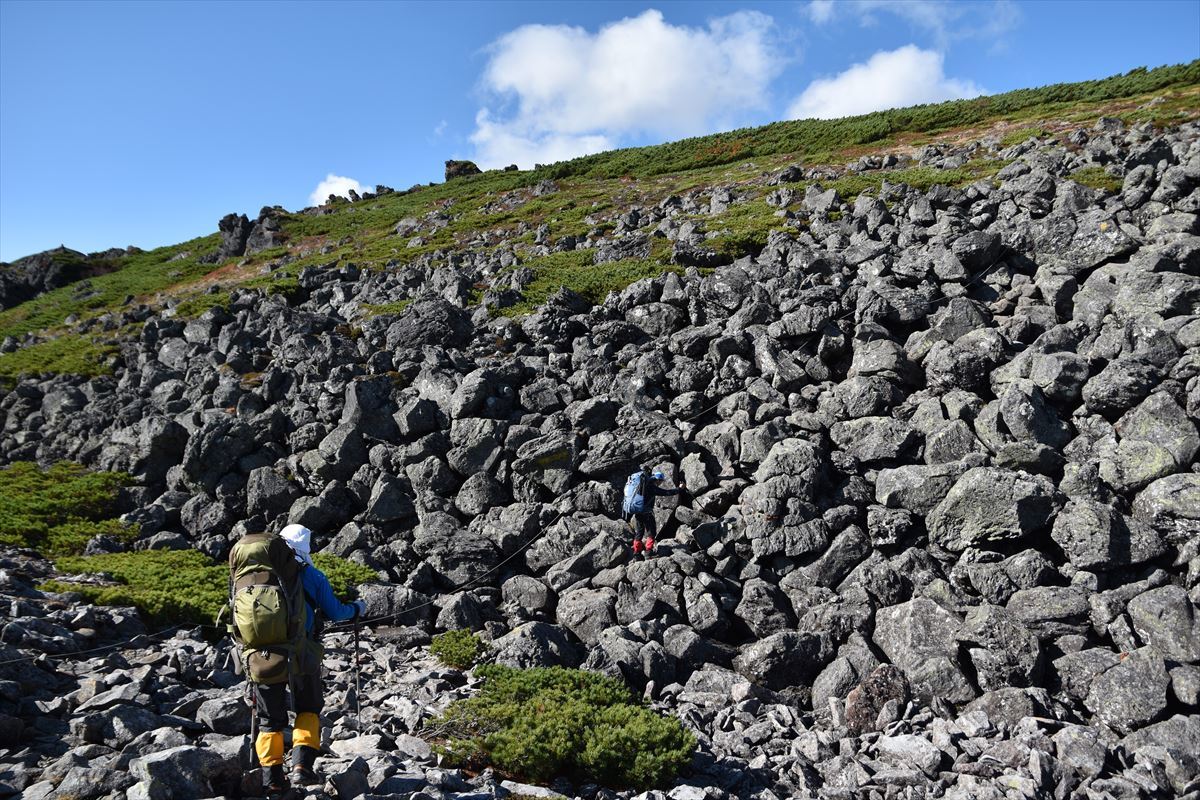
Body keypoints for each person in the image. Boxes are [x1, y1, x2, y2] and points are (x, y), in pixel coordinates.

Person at [243, 524, 365, 795]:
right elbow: (336, 612)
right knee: (307, 708)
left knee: (268, 718)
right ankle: (301, 768)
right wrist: (358, 608)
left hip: (261, 656)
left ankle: (271, 777)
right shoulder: (311, 575)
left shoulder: (253, 577)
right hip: (302, 653)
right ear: (305, 547)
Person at [621, 468, 685, 555]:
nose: (660, 483)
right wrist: (679, 489)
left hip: (637, 512)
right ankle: (648, 551)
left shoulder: (643, 487)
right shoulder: (652, 488)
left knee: (639, 533)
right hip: (647, 513)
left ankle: (636, 553)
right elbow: (667, 492)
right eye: (661, 481)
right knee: (651, 532)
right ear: (658, 480)